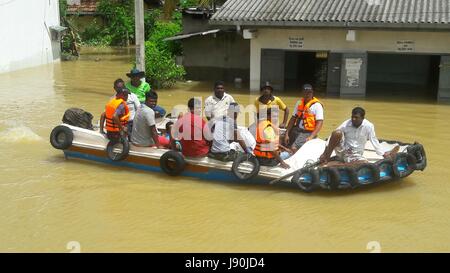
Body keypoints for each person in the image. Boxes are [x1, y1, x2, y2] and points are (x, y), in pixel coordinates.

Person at [319, 107, 399, 166]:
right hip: (343, 149)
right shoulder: (347, 123)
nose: (353, 119)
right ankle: (327, 158)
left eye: (356, 118)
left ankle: (338, 164)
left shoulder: (369, 126)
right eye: (352, 117)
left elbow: (374, 140)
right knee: (337, 133)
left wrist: (382, 154)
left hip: (355, 153)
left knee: (364, 163)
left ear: (362, 118)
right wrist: (325, 153)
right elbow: (331, 136)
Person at [284, 84, 324, 153]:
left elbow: (319, 123)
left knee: (293, 148)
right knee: (283, 140)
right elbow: (293, 118)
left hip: (308, 132)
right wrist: (286, 133)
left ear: (312, 93)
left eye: (309, 92)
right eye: (305, 92)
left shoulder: (317, 105)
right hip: (297, 129)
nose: (307, 94)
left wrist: (311, 136)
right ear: (302, 93)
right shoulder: (299, 103)